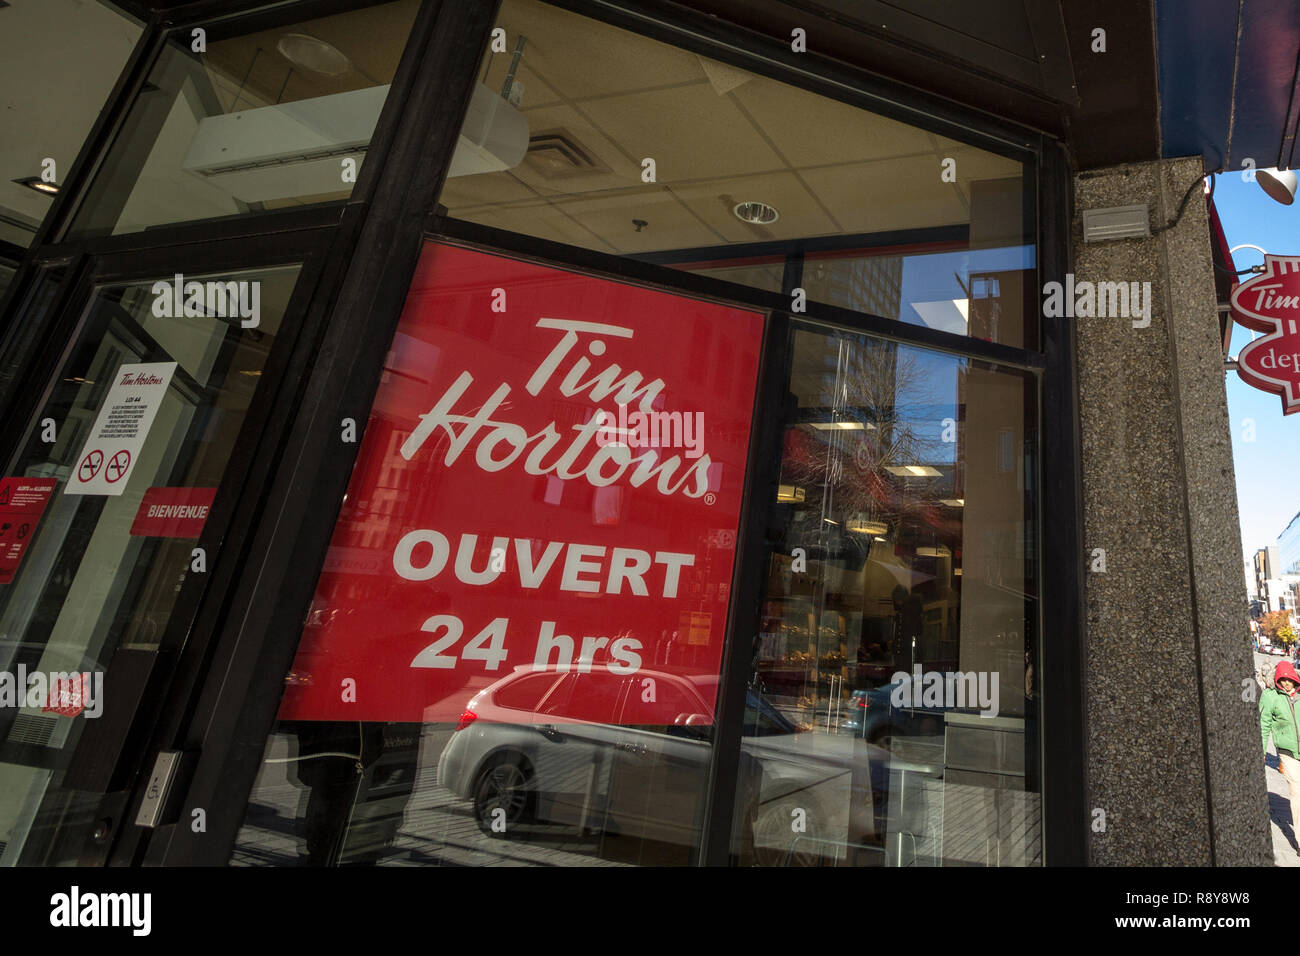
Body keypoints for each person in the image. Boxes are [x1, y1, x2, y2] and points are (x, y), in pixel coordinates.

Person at [1261, 661, 1300, 826]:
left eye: (1289, 679)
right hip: (1288, 751)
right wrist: (1261, 752)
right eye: (1282, 679)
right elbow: (1263, 725)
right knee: (1297, 792)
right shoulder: (1270, 696)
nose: (1286, 683)